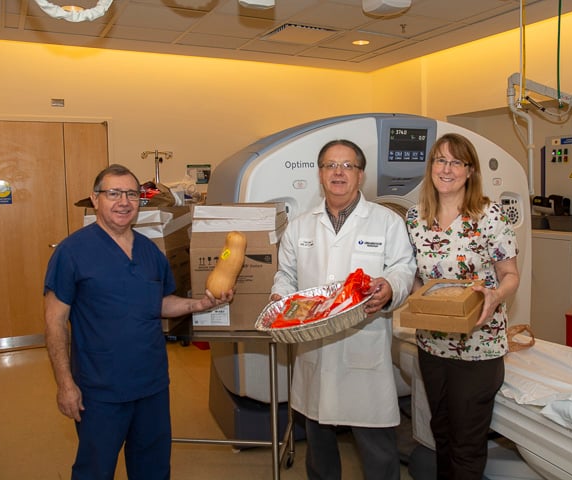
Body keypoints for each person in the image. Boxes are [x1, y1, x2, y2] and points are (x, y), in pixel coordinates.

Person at [44, 164, 233, 480]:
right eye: (113, 193)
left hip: (151, 385)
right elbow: (54, 322)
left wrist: (199, 304)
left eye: (131, 194)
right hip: (100, 390)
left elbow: (159, 303)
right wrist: (65, 385)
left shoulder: (150, 252)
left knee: (153, 469)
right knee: (95, 469)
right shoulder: (72, 252)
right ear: (95, 199)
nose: (124, 202)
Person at [270, 139, 416, 480]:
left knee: (377, 447)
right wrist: (281, 296)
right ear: (320, 174)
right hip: (315, 347)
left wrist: (390, 287)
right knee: (319, 442)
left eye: (348, 165)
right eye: (330, 165)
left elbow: (404, 268)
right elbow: (285, 274)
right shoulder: (300, 226)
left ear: (360, 174)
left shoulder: (386, 222)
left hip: (363, 345)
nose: (339, 172)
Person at [406, 133, 520, 479]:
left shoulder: (489, 216)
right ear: (431, 167)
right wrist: (415, 299)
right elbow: (416, 278)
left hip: (478, 346)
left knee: (466, 442)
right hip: (432, 344)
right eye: (440, 160)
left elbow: (510, 275)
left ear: (470, 171)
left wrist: (496, 295)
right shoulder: (415, 218)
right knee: (441, 432)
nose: (447, 169)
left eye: (456, 162)